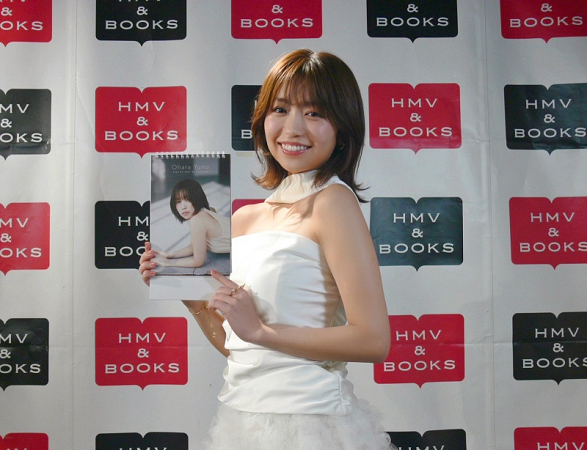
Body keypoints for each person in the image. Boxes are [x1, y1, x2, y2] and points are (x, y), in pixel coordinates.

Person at [140, 49, 393, 449]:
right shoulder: (243, 219)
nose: (293, 128)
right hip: (241, 424)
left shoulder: (333, 202)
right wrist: (189, 296)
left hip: (312, 427)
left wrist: (261, 329)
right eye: (280, 109)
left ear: (343, 128)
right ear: (262, 119)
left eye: (314, 112)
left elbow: (373, 340)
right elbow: (240, 348)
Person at [152, 178, 230, 268]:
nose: (183, 207)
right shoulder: (205, 212)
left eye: (188, 199)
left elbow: (198, 261)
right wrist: (169, 255)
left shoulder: (198, 219)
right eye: (178, 202)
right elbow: (193, 247)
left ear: (197, 198)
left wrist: (169, 263)